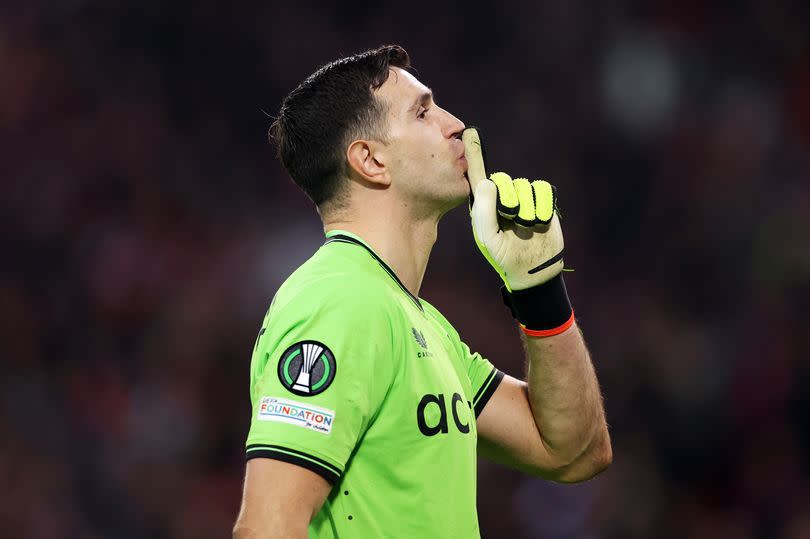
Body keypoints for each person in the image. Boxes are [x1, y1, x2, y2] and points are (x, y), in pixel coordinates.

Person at [233, 44, 611, 539]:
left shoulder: (419, 323)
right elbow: (266, 527)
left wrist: (539, 290)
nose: (457, 125)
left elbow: (573, 452)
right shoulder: (339, 301)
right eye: (423, 111)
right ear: (370, 160)